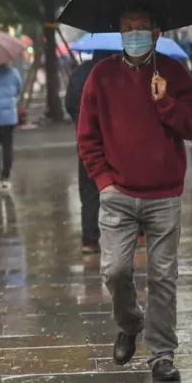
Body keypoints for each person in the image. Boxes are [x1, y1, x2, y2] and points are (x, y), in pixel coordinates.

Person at [77, 5, 192, 382]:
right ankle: (130, 323)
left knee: (163, 275)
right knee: (115, 271)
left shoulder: (175, 74)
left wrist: (164, 102)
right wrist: (104, 181)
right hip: (118, 194)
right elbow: (87, 136)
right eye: (127, 27)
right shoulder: (102, 76)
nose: (134, 33)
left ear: (156, 32)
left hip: (164, 194)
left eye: (142, 27)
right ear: (119, 32)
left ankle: (162, 354)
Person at [66, 51, 114, 254]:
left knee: (89, 190)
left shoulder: (79, 73)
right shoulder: (116, 71)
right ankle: (122, 235)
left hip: (86, 138)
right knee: (119, 188)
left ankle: (90, 239)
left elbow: (68, 104)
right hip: (114, 138)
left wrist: (80, 120)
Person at [0, 64, 23, 190]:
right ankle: (6, 177)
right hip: (9, 116)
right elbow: (19, 89)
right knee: (7, 146)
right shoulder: (14, 72)